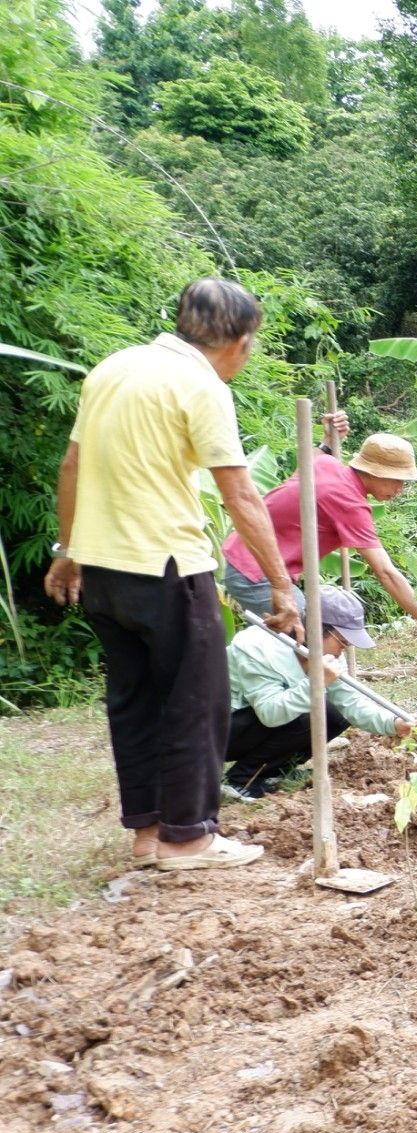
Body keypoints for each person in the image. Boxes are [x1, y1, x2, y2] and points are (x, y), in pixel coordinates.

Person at [43, 277, 303, 873]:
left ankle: (149, 832)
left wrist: (68, 549)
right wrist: (280, 585)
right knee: (196, 699)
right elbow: (238, 491)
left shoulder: (114, 368)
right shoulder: (200, 385)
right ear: (240, 340)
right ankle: (189, 838)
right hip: (167, 566)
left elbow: (73, 462)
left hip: (102, 570)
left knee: (134, 699)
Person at [219, 418, 417, 660]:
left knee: (304, 641)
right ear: (375, 472)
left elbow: (303, 469)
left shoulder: (327, 463)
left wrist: (327, 440)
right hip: (253, 572)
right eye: (398, 479)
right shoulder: (350, 503)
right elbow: (385, 572)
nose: (400, 489)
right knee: (307, 645)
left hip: (248, 557)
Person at [223, 586, 411, 798]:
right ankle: (241, 779)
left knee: (335, 712)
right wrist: (316, 683)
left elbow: (352, 703)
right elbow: (270, 713)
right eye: (342, 641)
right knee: (311, 710)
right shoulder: (257, 648)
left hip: (255, 727)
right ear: (315, 628)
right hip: (219, 731)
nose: (344, 649)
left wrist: (394, 723)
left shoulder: (329, 655)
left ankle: (270, 772)